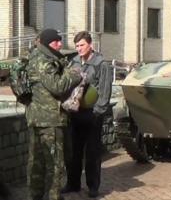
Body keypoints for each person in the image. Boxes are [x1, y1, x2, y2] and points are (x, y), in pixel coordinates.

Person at [26, 29, 82, 200]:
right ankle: (53, 196)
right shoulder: (44, 60)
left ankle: (35, 196)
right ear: (46, 43)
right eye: (55, 41)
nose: (59, 44)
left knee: (37, 163)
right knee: (54, 164)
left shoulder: (33, 58)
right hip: (50, 120)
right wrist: (74, 74)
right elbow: (57, 86)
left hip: (36, 118)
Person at [62, 31, 112, 198]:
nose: (79, 48)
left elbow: (105, 91)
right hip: (75, 114)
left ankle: (93, 186)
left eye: (82, 45)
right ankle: (73, 183)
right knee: (73, 152)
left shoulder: (101, 64)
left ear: (90, 45)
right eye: (76, 46)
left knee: (92, 153)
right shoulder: (74, 62)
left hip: (92, 114)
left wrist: (97, 113)